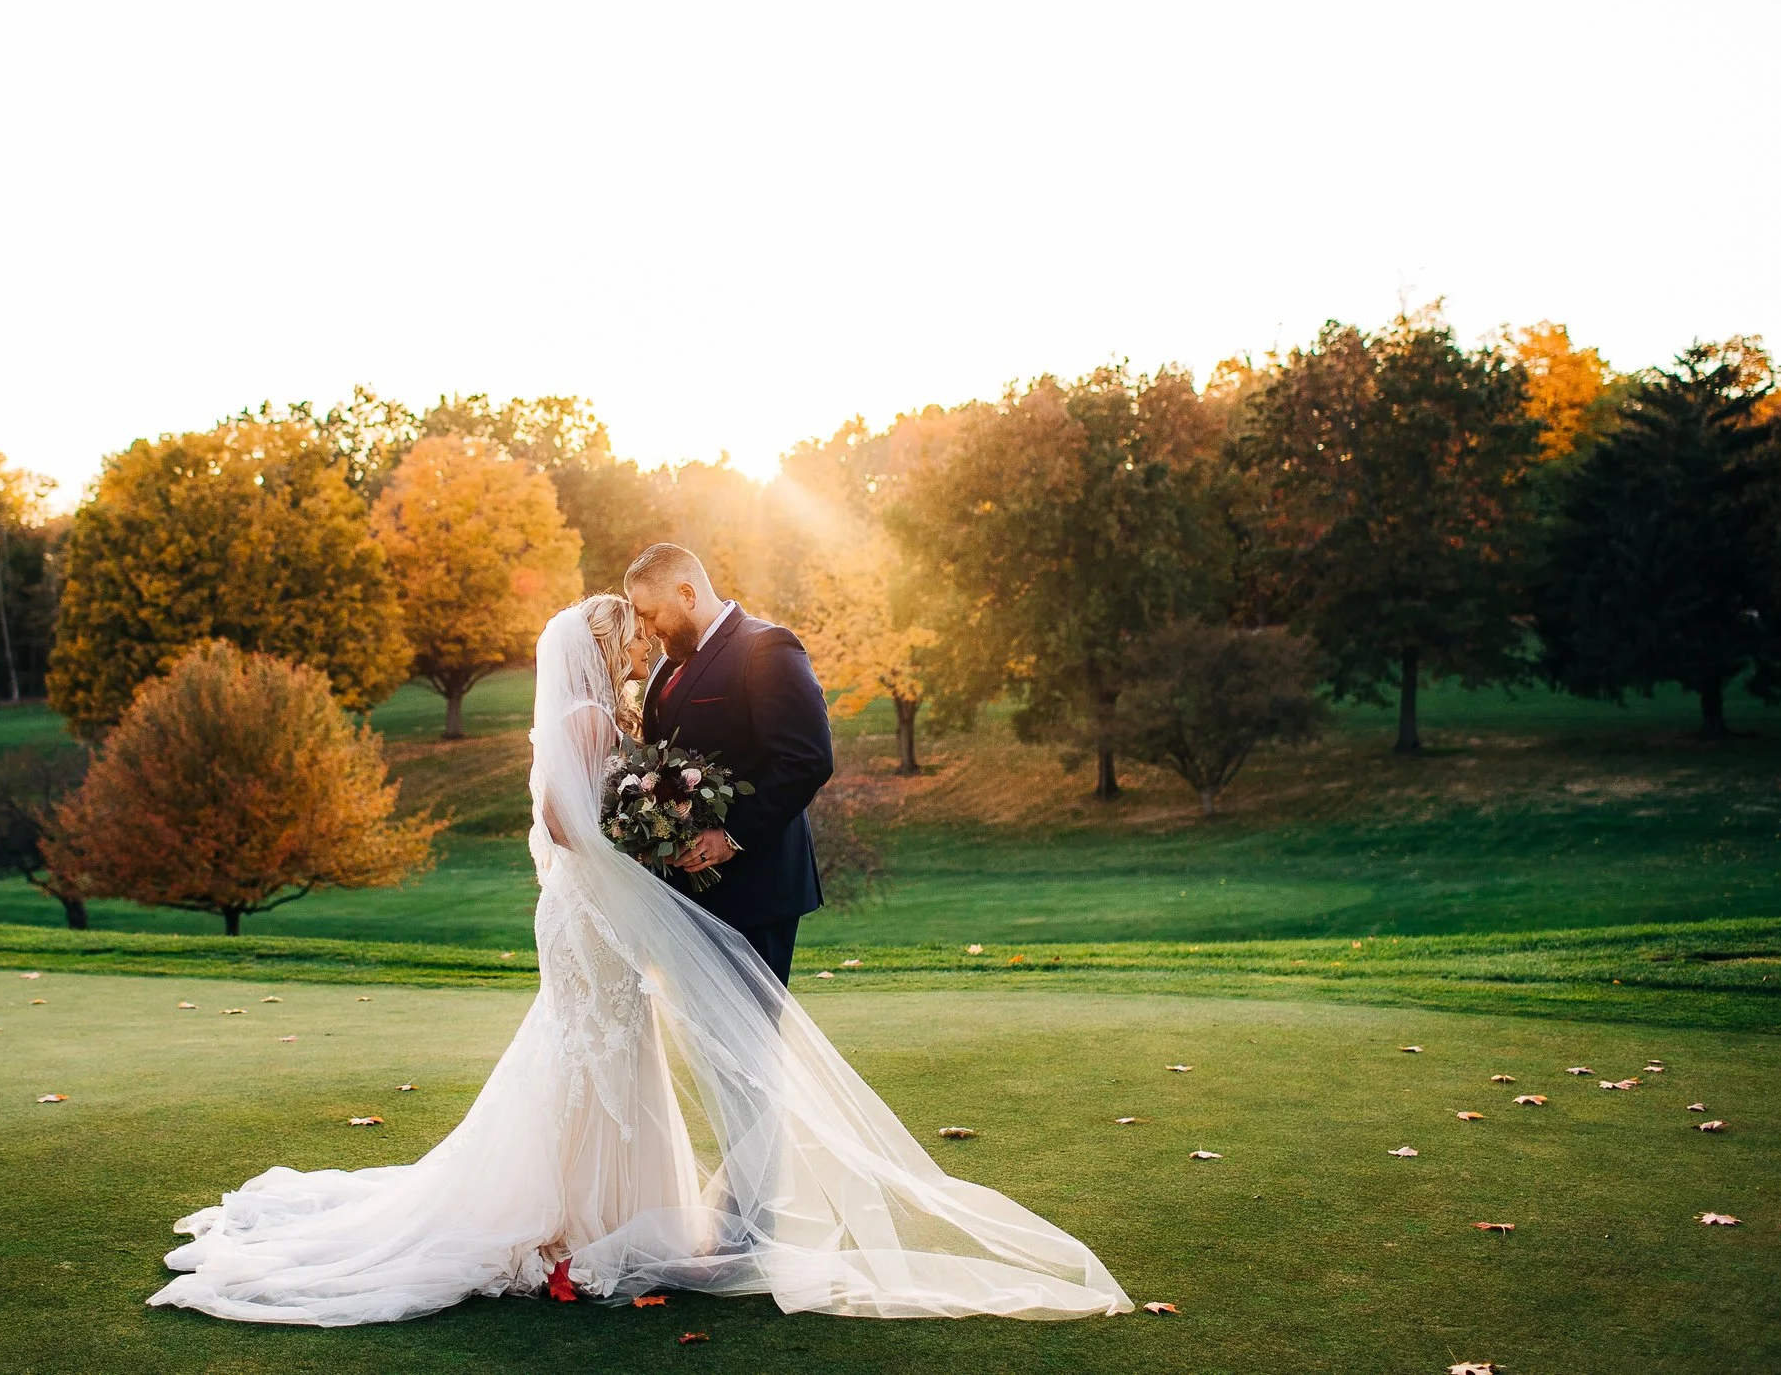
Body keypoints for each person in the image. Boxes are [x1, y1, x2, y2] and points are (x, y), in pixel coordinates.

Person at [148, 596, 1130, 1327]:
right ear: (601, 648)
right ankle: (573, 1220)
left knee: (601, 1047)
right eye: (629, 638)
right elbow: (562, 822)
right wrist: (647, 843)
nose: (642, 649)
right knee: (594, 1044)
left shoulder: (600, 713)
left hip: (595, 910)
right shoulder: (586, 720)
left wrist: (650, 830)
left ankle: (596, 1214)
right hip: (591, 913)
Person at [623, 542, 830, 984]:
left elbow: (807, 760)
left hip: (757, 886)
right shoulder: (664, 667)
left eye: (651, 615)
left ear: (686, 593)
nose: (649, 631)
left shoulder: (766, 647)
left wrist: (733, 836)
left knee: (749, 1025)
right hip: (685, 889)